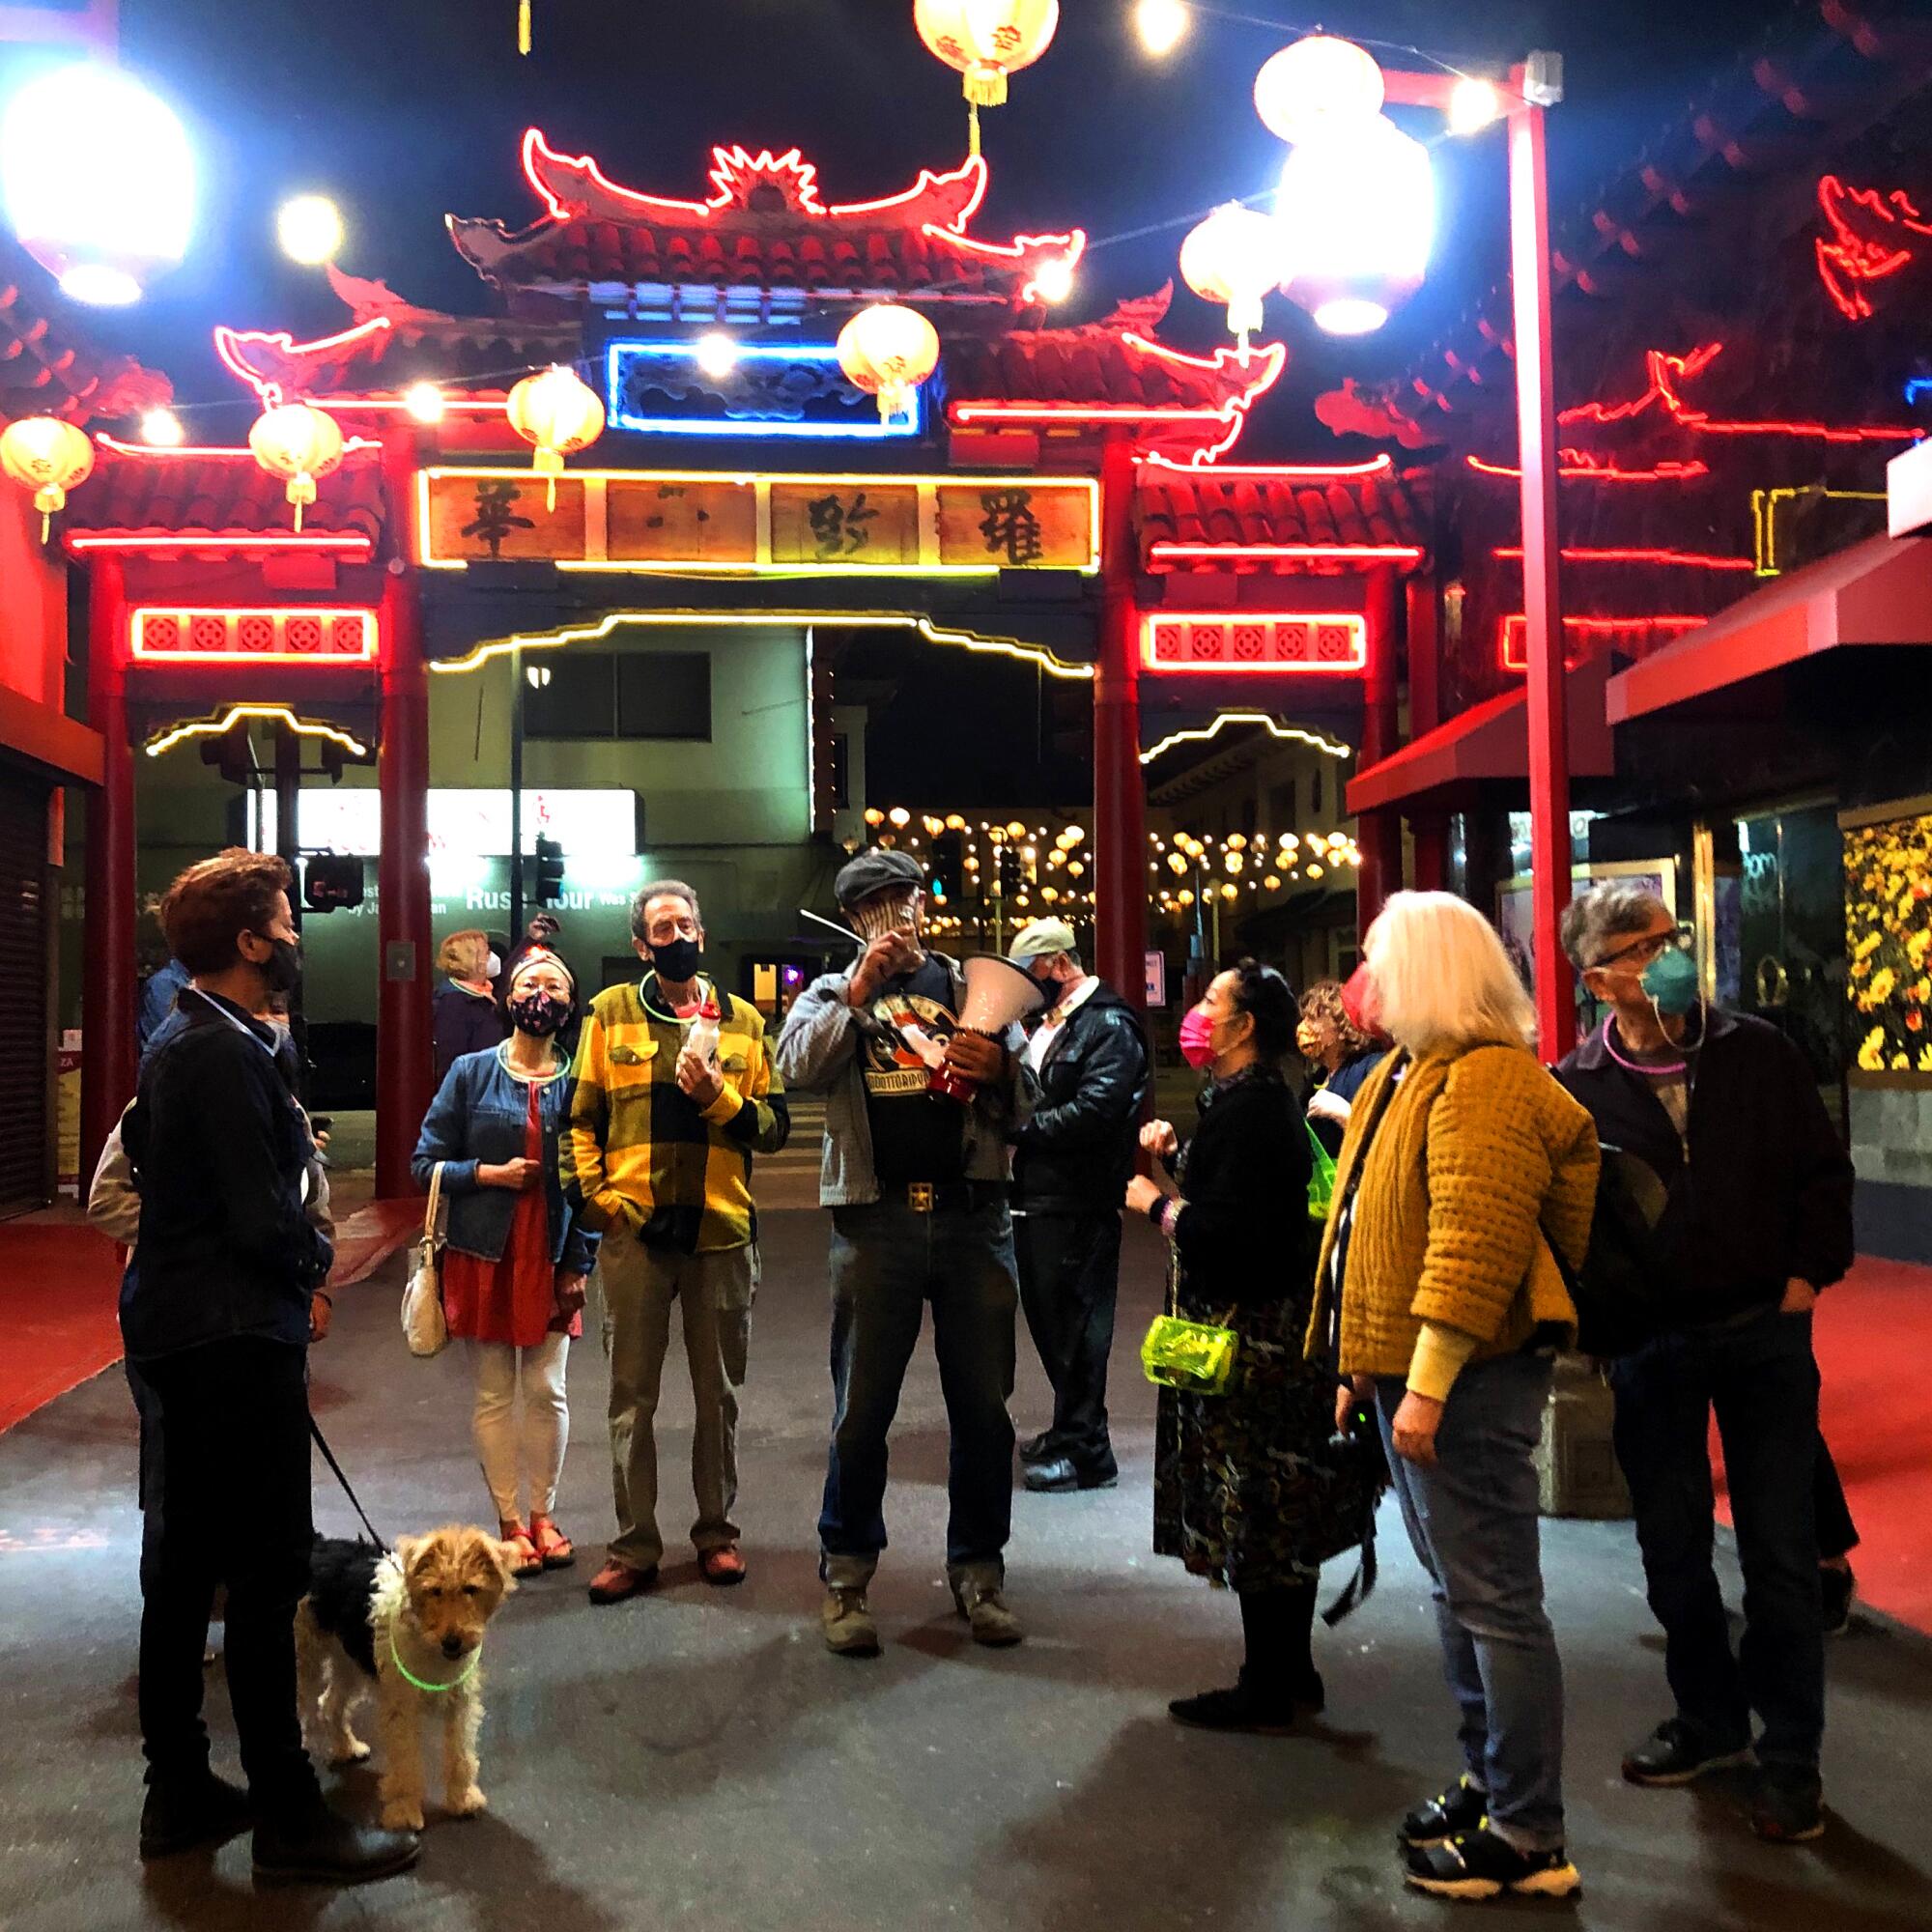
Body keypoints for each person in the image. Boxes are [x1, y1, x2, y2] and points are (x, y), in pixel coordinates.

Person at [120, 849, 417, 1884]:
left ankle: (181, 1790)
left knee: (185, 1567)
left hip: (187, 1330)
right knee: (266, 1572)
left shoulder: (200, 1039)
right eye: (286, 918)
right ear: (250, 942)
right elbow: (262, 1214)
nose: (298, 930)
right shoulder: (221, 1052)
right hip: (231, 1339)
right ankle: (290, 1816)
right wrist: (311, 1267)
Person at [1554, 882, 1855, 1844]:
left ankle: (1789, 1755)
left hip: (1763, 1329)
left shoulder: (1754, 1051)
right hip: (1652, 1345)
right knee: (1671, 1546)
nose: (1668, 957)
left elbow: (1820, 1169)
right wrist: (1601, 1330)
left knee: (1777, 1549)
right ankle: (1708, 1716)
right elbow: (1578, 1227)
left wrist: (1805, 1277)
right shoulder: (1576, 1084)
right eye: (1642, 946)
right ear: (1596, 976)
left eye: (1669, 937)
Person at [1313, 892, 1597, 1902]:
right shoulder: (1411, 1071)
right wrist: (1361, 1363)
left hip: (1466, 1381)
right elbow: (1380, 1235)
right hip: (1418, 1377)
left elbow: (1470, 1250)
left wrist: (1421, 1384)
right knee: (1463, 1594)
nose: (1364, 986)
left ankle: (1527, 1827)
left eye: (1381, 964)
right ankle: (1492, 1785)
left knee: (1494, 1602)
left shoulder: (1479, 1080)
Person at [776, 848, 1036, 1657]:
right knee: (861, 1410)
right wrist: (857, 992)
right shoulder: (828, 993)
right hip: (875, 1221)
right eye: (877, 906)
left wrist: (997, 1068)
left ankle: (979, 1573)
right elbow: (796, 1067)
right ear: (856, 921)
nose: (896, 916)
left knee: (985, 1410)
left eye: (905, 899)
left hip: (972, 1218)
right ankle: (847, 1578)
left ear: (922, 904)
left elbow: (1031, 1098)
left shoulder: (970, 988)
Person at [1128, 959, 1372, 1732]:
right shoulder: (1253, 1102)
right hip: (1277, 1337)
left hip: (1250, 1347)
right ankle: (1288, 1670)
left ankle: (1265, 1684)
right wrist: (1178, 1157)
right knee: (1275, 1510)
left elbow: (1232, 1236)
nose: (1196, 1015)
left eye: (1210, 1004)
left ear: (1243, 1028)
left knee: (1257, 1509)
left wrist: (1158, 1205)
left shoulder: (1250, 1111)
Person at [562, 881, 789, 1604]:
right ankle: (633, 1547)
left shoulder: (746, 1021)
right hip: (636, 1238)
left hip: (721, 1232)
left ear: (702, 929)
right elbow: (577, 1121)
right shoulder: (609, 1015)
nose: (676, 935)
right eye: (661, 928)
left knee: (716, 1396)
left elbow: (775, 1129)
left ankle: (717, 1535)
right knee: (631, 1397)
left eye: (685, 922)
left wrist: (717, 1098)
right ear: (641, 945)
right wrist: (599, 1206)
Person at [414, 945, 598, 1578]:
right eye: (528, 983)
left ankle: (546, 1516)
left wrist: (581, 1263)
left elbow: (593, 1187)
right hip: (483, 1256)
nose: (539, 995)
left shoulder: (582, 1080)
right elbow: (424, 1163)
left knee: (548, 1392)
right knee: (495, 1396)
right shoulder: (469, 1073)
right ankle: (510, 1524)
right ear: (507, 997)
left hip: (551, 1257)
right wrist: (486, 1174)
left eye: (554, 985)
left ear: (570, 1006)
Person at [1007, 917, 1151, 1493]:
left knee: (1077, 1324)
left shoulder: (1108, 1024)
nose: (1025, 985)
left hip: (1077, 1198)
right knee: (1053, 1320)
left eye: (1031, 972)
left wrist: (1023, 1128)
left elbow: (1098, 1112)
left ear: (1060, 964)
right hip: (1043, 1195)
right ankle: (1072, 1431)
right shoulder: (1055, 1022)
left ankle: (1088, 1449)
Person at [1297, 979, 1386, 1156]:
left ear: (1341, 1028)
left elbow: (1389, 1138)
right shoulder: (1317, 1080)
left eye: (1314, 1019)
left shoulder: (1373, 1068)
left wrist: (1345, 1114)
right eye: (1304, 1018)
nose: (1303, 1028)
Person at [433, 929, 509, 1088]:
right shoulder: (453, 1004)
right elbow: (451, 1063)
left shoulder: (485, 995)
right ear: (471, 960)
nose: (492, 958)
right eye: (486, 953)